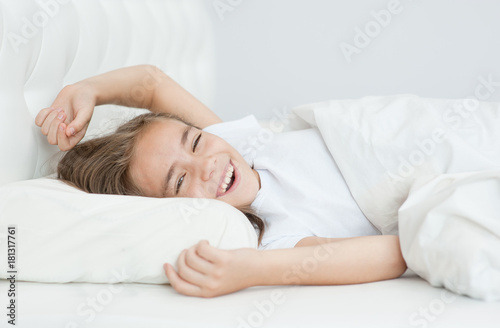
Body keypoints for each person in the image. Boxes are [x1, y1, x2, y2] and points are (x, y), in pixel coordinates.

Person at [35, 65, 407, 298]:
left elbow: (151, 83)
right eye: (179, 181)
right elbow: (395, 254)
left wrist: (88, 90)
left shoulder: (242, 146)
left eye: (195, 140)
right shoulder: (278, 234)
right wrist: (249, 271)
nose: (207, 165)